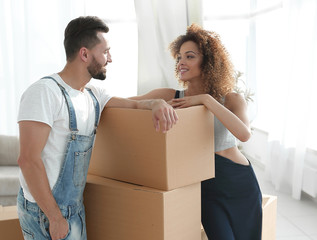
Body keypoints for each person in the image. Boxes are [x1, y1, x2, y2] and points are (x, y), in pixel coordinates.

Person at [17, 16, 178, 240]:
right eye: (106, 52)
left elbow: (133, 103)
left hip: (74, 208)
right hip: (45, 211)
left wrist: (157, 103)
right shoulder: (45, 92)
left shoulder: (94, 95)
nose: (110, 59)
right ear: (84, 54)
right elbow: (28, 159)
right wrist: (54, 217)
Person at [131, 24, 262, 240]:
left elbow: (244, 134)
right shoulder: (170, 95)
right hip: (205, 188)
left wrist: (206, 100)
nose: (181, 62)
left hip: (239, 184)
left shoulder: (231, 99)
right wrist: (154, 102)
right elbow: (119, 104)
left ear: (208, 61)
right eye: (179, 57)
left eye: (189, 56)